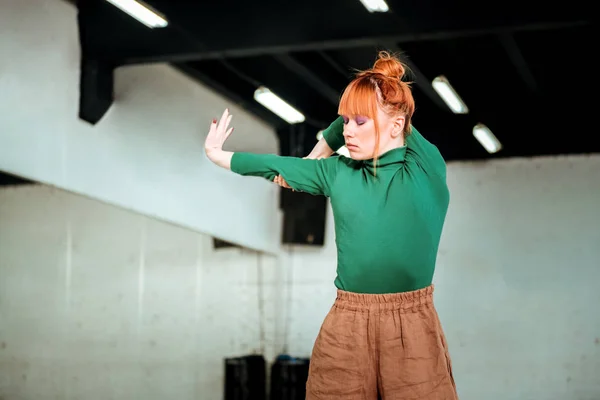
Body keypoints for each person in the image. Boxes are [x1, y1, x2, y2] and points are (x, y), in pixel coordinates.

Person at [204, 51, 458, 400]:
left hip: (411, 323)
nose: (348, 131)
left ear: (397, 126)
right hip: (348, 321)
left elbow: (402, 116)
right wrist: (220, 157)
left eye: (360, 122)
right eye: (345, 122)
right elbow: (275, 163)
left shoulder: (424, 169)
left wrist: (328, 140)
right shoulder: (338, 173)